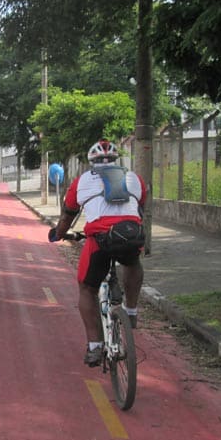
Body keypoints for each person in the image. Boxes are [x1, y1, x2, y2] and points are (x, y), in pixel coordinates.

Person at [48, 139, 147, 366]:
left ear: (91, 161)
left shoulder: (82, 181)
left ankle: (95, 346)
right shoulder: (135, 178)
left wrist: (58, 234)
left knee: (86, 288)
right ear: (116, 159)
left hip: (100, 240)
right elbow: (141, 207)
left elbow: (68, 215)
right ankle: (131, 311)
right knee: (133, 262)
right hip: (130, 234)